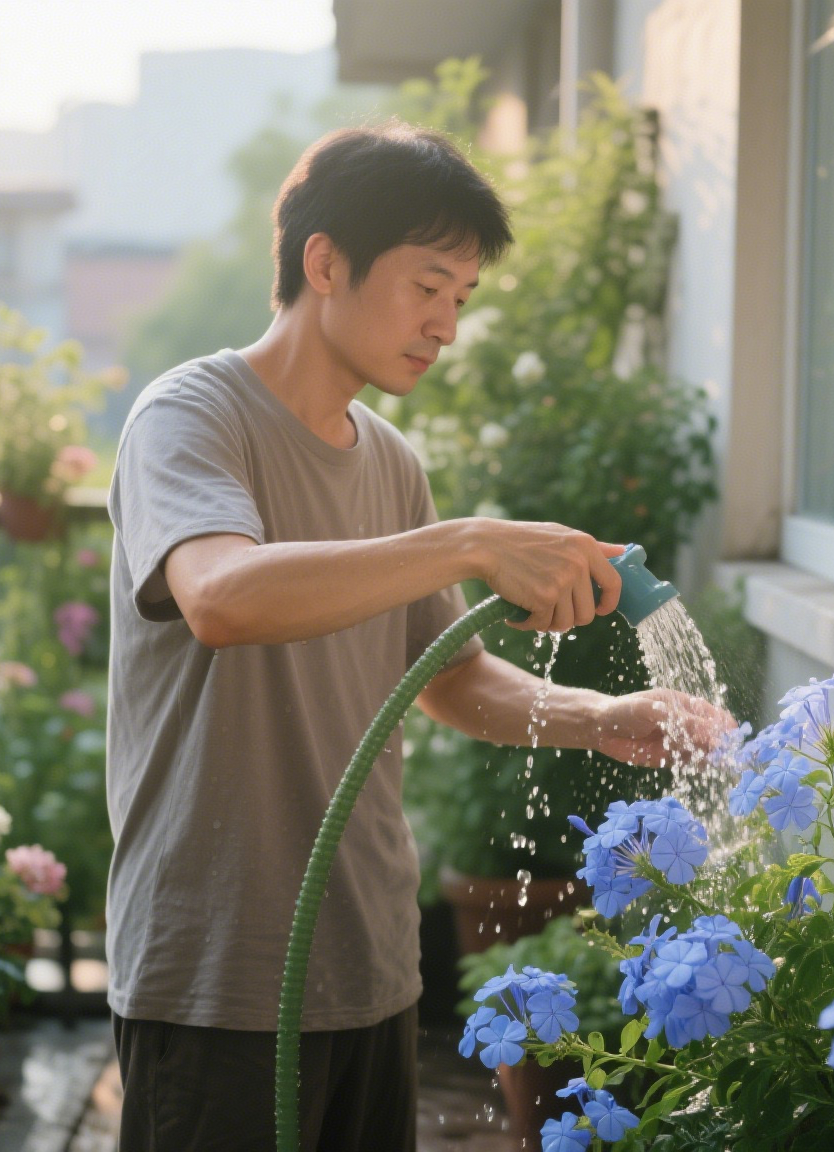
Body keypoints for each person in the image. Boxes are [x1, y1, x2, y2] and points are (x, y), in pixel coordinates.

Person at [104, 121, 728, 1151]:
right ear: (325, 263)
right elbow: (220, 598)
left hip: (371, 964)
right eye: (427, 286)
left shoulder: (389, 460)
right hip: (218, 976)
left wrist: (600, 715)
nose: (446, 326)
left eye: (462, 299)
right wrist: (469, 542)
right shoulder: (190, 417)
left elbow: (449, 677)